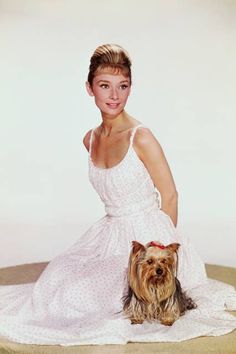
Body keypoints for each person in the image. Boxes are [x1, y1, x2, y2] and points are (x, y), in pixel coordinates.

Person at [0, 43, 235, 345]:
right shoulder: (90, 139)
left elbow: (170, 195)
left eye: (122, 86)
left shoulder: (142, 137)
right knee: (56, 279)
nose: (114, 96)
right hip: (108, 233)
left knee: (102, 294)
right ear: (89, 88)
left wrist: (159, 252)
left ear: (130, 88)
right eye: (105, 86)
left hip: (149, 236)